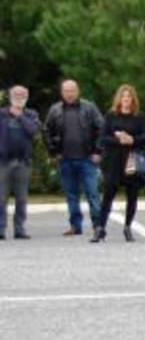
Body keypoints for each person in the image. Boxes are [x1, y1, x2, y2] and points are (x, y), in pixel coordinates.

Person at [44, 78, 105, 237]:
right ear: (62, 92)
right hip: (65, 160)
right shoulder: (55, 109)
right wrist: (53, 152)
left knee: (92, 193)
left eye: (72, 90)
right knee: (71, 195)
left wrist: (98, 151)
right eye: (66, 91)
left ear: (78, 91)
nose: (69, 94)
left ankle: (98, 225)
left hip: (87, 159)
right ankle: (75, 226)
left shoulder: (89, 107)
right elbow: (47, 131)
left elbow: (102, 128)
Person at [95, 84, 145, 243]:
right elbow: (102, 139)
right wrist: (119, 139)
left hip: (132, 160)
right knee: (108, 194)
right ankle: (100, 228)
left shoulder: (139, 117)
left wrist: (132, 139)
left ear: (133, 100)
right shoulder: (111, 116)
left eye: (129, 97)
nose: (126, 100)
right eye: (123, 96)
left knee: (132, 195)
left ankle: (128, 227)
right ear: (119, 98)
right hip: (113, 160)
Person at [0, 85, 39, 240]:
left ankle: (19, 229)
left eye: (22, 94)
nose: (19, 97)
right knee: (1, 198)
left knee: (21, 199)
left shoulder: (31, 114)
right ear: (9, 96)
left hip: (23, 162)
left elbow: (33, 132)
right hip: (3, 162)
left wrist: (20, 116)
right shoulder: (1, 114)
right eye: (16, 94)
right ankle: (1, 229)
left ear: (27, 97)